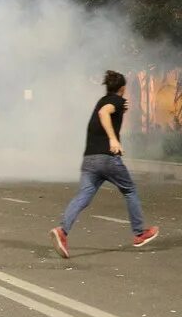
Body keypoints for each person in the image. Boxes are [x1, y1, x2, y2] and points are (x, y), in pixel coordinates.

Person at [50, 69, 158, 258]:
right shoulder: (113, 102)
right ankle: (140, 233)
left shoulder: (104, 100)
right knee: (130, 190)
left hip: (89, 158)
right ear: (123, 88)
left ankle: (62, 231)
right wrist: (113, 140)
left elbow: (105, 110)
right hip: (106, 158)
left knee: (84, 195)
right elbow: (104, 113)